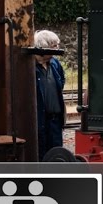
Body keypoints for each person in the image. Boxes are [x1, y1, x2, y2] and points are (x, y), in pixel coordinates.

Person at [33, 30, 66, 158]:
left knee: (56, 154)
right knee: (42, 153)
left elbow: (61, 81)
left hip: (55, 121)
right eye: (54, 45)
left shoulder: (55, 64)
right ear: (44, 47)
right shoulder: (32, 67)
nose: (57, 48)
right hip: (41, 120)